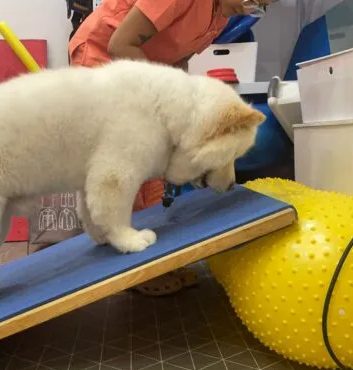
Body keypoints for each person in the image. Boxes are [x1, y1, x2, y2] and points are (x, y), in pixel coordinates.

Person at [67, 0, 279, 296]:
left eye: (262, 6)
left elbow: (177, 57)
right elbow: (120, 44)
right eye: (254, 0)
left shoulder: (219, 14)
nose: (251, 8)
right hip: (103, 56)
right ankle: (134, 264)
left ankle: (154, 254)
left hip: (146, 65)